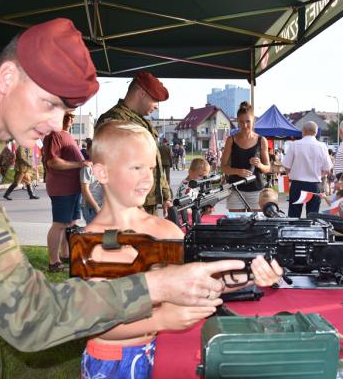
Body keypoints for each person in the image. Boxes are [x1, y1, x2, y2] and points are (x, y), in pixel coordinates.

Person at [0, 18, 247, 378]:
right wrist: (157, 286)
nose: (58, 124)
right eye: (49, 103)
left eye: (65, 109)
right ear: (8, 79)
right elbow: (30, 315)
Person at [82, 121, 283, 378]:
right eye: (136, 168)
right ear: (102, 173)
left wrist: (251, 275)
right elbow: (95, 323)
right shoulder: (90, 243)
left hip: (158, 350)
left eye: (152, 169)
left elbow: (199, 283)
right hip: (111, 361)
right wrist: (162, 320)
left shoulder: (165, 231)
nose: (147, 178)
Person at [95, 71, 172, 216]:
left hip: (146, 202)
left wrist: (165, 196)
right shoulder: (114, 120)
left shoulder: (140, 121)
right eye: (155, 100)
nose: (156, 106)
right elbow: (111, 167)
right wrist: (130, 203)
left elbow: (154, 163)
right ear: (141, 93)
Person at [43, 111, 87, 272]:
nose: (71, 119)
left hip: (73, 187)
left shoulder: (66, 135)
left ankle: (66, 255)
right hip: (62, 187)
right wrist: (80, 165)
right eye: (67, 115)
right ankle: (54, 262)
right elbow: (53, 162)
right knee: (60, 224)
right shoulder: (54, 135)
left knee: (71, 223)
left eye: (72, 116)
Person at [220, 101, 270, 212]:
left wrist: (259, 164)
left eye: (248, 121)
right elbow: (223, 167)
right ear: (237, 121)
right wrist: (238, 171)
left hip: (256, 190)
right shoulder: (231, 140)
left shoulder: (262, 140)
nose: (245, 125)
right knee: (236, 226)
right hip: (235, 190)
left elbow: (267, 168)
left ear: (254, 121)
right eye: (241, 122)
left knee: (255, 226)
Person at [282, 121, 332, 217]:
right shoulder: (322, 146)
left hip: (297, 185)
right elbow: (327, 169)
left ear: (303, 131)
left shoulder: (294, 144)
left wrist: (292, 173)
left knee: (294, 216)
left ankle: (293, 231)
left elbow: (286, 166)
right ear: (316, 132)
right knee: (312, 218)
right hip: (314, 185)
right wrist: (317, 174)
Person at [80, 138, 103, 224]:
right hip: (91, 207)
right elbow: (85, 190)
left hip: (101, 206)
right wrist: (96, 208)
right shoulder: (87, 168)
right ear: (87, 151)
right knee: (93, 234)